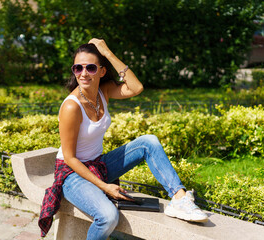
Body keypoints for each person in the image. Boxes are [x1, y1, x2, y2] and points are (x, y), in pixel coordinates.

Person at [39, 38, 208, 239]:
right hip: (71, 174)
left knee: (149, 142)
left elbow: (136, 88)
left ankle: (179, 199)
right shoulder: (71, 106)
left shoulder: (104, 91)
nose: (83, 73)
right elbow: (70, 158)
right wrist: (105, 187)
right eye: (78, 68)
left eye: (91, 68)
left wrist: (107, 52)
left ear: (102, 71)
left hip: (97, 165)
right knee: (108, 217)